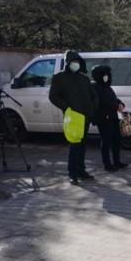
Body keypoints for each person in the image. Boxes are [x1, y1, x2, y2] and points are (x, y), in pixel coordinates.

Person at [49, 50, 98, 185]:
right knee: (75, 145)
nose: (75, 64)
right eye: (73, 62)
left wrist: (92, 108)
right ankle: (72, 173)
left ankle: (81, 170)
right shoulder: (60, 78)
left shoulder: (84, 78)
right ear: (68, 63)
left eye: (77, 62)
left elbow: (93, 95)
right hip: (73, 117)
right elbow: (53, 96)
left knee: (82, 145)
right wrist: (66, 108)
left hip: (85, 117)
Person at [90, 65, 127, 171]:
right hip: (103, 118)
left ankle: (117, 161)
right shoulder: (94, 86)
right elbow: (103, 101)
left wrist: (120, 103)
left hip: (113, 117)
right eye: (105, 74)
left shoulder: (106, 86)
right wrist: (116, 105)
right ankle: (107, 164)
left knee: (116, 140)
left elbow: (114, 98)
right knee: (106, 141)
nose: (107, 76)